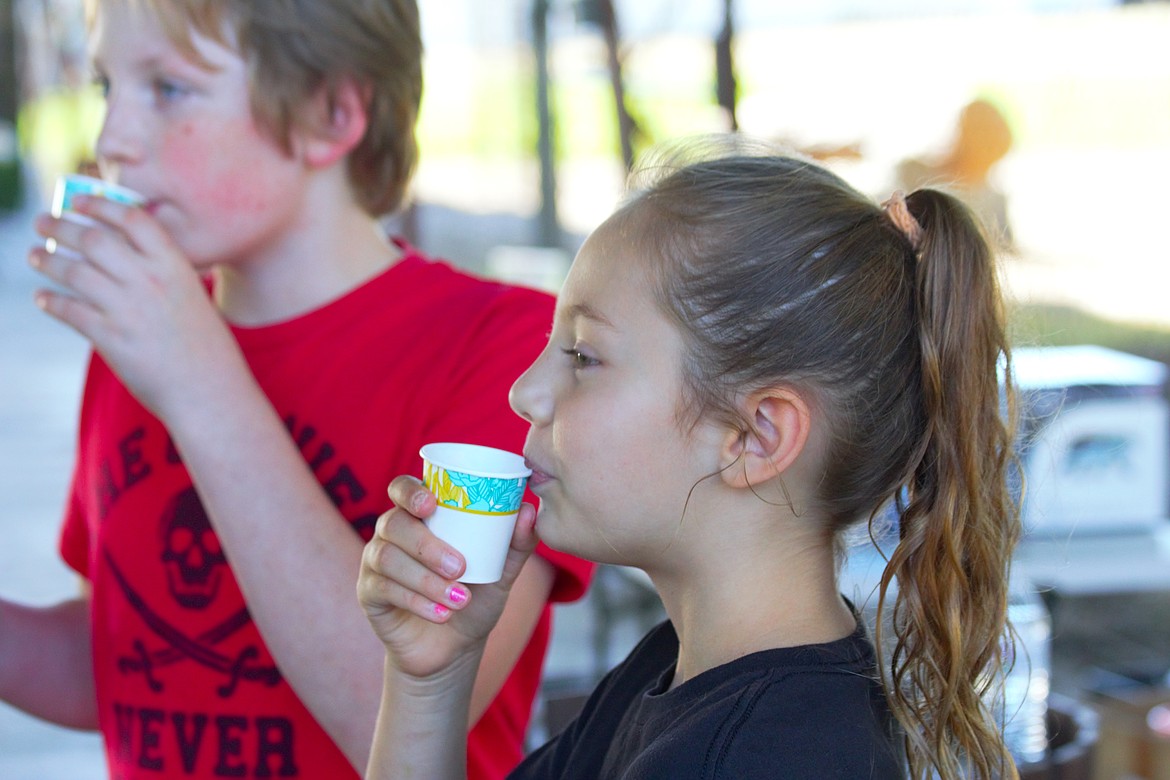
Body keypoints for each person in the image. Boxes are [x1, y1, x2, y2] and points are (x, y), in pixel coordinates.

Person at [2, 0, 592, 777]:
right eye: (110, 86)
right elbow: (124, 658)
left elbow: (396, 704)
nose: (111, 141)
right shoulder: (141, 343)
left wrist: (195, 377)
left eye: (170, 89)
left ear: (330, 112)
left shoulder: (512, 355)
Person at [359, 138, 1023, 779]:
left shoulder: (755, 761)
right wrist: (432, 679)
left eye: (585, 357)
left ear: (755, 436)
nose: (524, 392)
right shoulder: (679, 673)